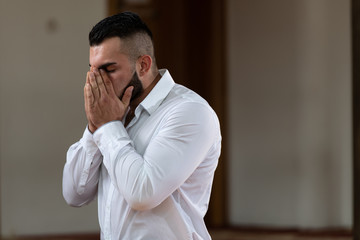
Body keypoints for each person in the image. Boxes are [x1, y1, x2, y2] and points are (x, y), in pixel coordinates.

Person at [62, 11, 221, 240]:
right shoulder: (114, 114)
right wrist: (95, 127)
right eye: (93, 70)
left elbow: (143, 194)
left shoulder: (190, 112)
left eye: (109, 69)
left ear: (144, 66)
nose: (98, 82)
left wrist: (107, 127)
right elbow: (74, 194)